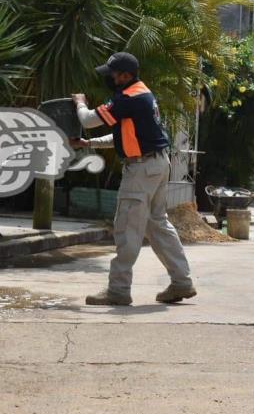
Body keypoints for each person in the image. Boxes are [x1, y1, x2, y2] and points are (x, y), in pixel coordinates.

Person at [71, 52, 196, 306]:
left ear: (125, 75)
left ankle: (118, 290)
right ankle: (181, 282)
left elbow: (88, 119)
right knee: (158, 224)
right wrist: (89, 143)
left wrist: (80, 103)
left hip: (141, 170)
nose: (111, 78)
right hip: (157, 164)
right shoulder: (143, 94)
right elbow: (127, 139)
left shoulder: (128, 99)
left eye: (113, 74)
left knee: (128, 226)